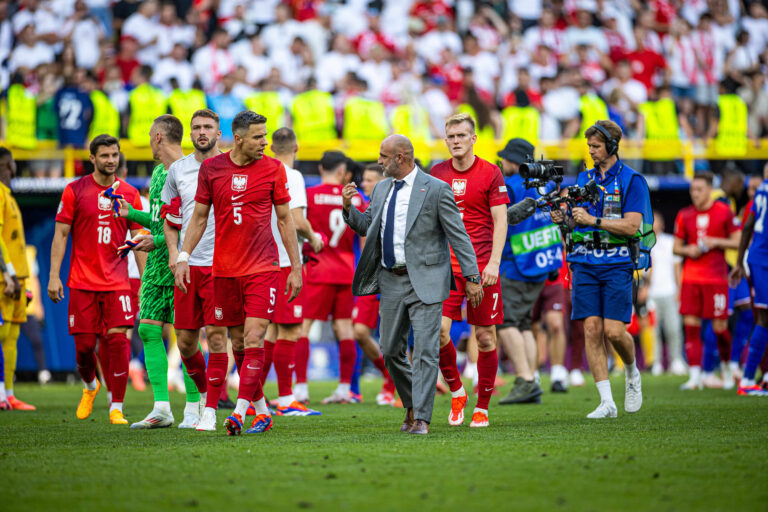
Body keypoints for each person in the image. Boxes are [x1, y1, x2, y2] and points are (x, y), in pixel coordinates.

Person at [341, 134, 482, 435]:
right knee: (390, 349)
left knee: (426, 350)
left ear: (400, 158)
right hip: (390, 279)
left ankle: (422, 419)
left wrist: (472, 277)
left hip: (427, 280)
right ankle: (411, 404)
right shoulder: (380, 189)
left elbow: (459, 235)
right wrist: (349, 209)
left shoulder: (436, 189)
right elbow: (367, 224)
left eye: (382, 156)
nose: (378, 161)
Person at [174, 111, 302, 436]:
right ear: (240, 137)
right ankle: (262, 411)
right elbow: (199, 217)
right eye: (259, 137)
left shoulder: (274, 169)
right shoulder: (211, 169)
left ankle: (237, 412)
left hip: (262, 268)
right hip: (224, 271)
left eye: (266, 136)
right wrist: (185, 256)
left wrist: (295, 267)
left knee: (253, 337)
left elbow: (286, 220)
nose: (266, 143)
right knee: (237, 345)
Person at [551, 120, 652, 419]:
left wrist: (591, 221)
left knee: (614, 330)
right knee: (591, 329)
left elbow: (633, 226)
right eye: (590, 146)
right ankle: (606, 402)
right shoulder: (583, 179)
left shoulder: (633, 180)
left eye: (596, 146)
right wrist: (563, 220)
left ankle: (632, 373)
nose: (592, 151)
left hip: (618, 262)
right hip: (584, 262)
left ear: (612, 146)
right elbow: (575, 223)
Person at [113, 115, 206, 429]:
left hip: (182, 263)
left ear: (157, 137)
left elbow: (197, 222)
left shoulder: (192, 172)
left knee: (187, 339)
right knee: (149, 330)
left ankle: (194, 407)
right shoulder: (156, 175)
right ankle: (162, 408)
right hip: (155, 267)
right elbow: (160, 220)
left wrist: (174, 247)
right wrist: (133, 214)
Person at [48, 135, 145, 425]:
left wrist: (146, 279)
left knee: (118, 342)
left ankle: (117, 406)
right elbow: (61, 234)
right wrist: (54, 275)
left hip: (117, 282)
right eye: (104, 155)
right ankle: (91, 386)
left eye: (114, 155)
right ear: (92, 158)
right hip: (82, 282)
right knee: (84, 348)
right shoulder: (74, 190)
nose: (111, 160)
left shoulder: (129, 193)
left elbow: (140, 238)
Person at [430, 114, 509, 428]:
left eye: (462, 135)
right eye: (451, 136)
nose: (456, 141)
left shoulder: (490, 172)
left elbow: (501, 220)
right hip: (446, 266)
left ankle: (483, 407)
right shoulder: (436, 173)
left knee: (485, 337)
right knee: (438, 331)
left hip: (483, 265)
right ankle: (458, 391)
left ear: (474, 138)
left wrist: (493, 263)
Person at [161, 109, 232, 431]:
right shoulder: (178, 171)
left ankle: (211, 410)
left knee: (218, 338)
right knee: (186, 342)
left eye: (208, 127)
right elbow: (170, 217)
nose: (202, 132)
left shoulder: (233, 167)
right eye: (197, 127)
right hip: (189, 266)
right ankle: (201, 396)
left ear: (219, 133)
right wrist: (176, 255)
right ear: (190, 133)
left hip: (223, 266)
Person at [495, 138, 562, 405]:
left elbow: (501, 223)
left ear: (513, 161)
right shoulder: (543, 185)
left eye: (505, 159)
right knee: (523, 324)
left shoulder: (510, 186)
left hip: (515, 264)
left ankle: (524, 380)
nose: (502, 163)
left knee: (506, 322)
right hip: (540, 263)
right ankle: (531, 378)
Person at [261, 127, 322, 416]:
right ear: (296, 147)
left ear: (271, 147)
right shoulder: (292, 176)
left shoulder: (263, 170)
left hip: (264, 258)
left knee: (271, 331)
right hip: (285, 261)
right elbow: (297, 221)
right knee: (290, 329)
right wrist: (314, 237)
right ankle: (285, 399)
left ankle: (253, 399)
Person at [300, 151, 363, 404]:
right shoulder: (355, 199)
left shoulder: (310, 195)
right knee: (345, 328)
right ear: (341, 171)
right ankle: (345, 388)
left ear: (320, 167)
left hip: (318, 269)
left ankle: (301, 388)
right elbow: (364, 236)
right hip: (347, 270)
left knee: (303, 327)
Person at [674, 172, 740, 390]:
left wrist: (715, 242)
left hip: (716, 277)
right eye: (692, 190)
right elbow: (676, 247)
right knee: (690, 326)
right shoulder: (684, 214)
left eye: (699, 190)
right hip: (692, 278)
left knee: (720, 328)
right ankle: (695, 377)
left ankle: (727, 367)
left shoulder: (724, 212)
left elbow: (738, 241)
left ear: (710, 190)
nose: (695, 194)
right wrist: (688, 249)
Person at [352, 163, 398, 406]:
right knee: (359, 331)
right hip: (370, 277)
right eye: (364, 180)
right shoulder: (364, 209)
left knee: (393, 335)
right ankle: (388, 373)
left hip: (392, 276)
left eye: (369, 180)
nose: (364, 185)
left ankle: (393, 386)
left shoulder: (394, 205)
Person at [730, 175, 768, 395]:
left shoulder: (763, 188)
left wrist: (739, 261)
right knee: (763, 317)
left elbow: (748, 227)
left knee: (763, 317)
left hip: (756, 258)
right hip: (763, 259)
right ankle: (746, 379)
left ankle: (750, 377)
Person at [0, 148, 31, 410]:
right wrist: (7, 272)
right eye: (11, 163)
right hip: (6, 277)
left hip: (17, 277)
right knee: (3, 334)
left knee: (11, 336)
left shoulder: (7, 195)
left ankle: (8, 393)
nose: (14, 167)